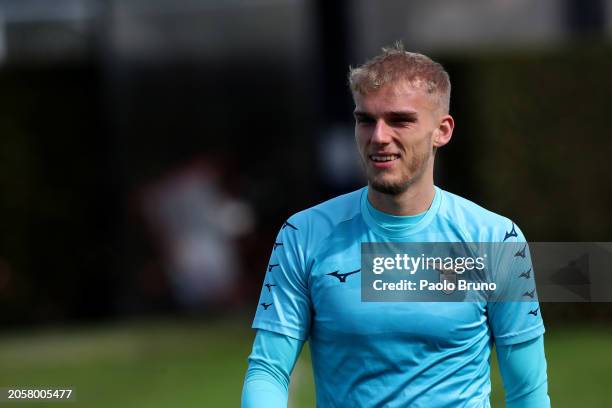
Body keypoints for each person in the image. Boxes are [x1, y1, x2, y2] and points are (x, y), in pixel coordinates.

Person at [242, 43, 550, 407]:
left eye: (400, 120)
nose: (378, 137)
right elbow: (269, 370)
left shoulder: (496, 239)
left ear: (443, 131)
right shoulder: (304, 234)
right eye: (365, 120)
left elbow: (527, 391)